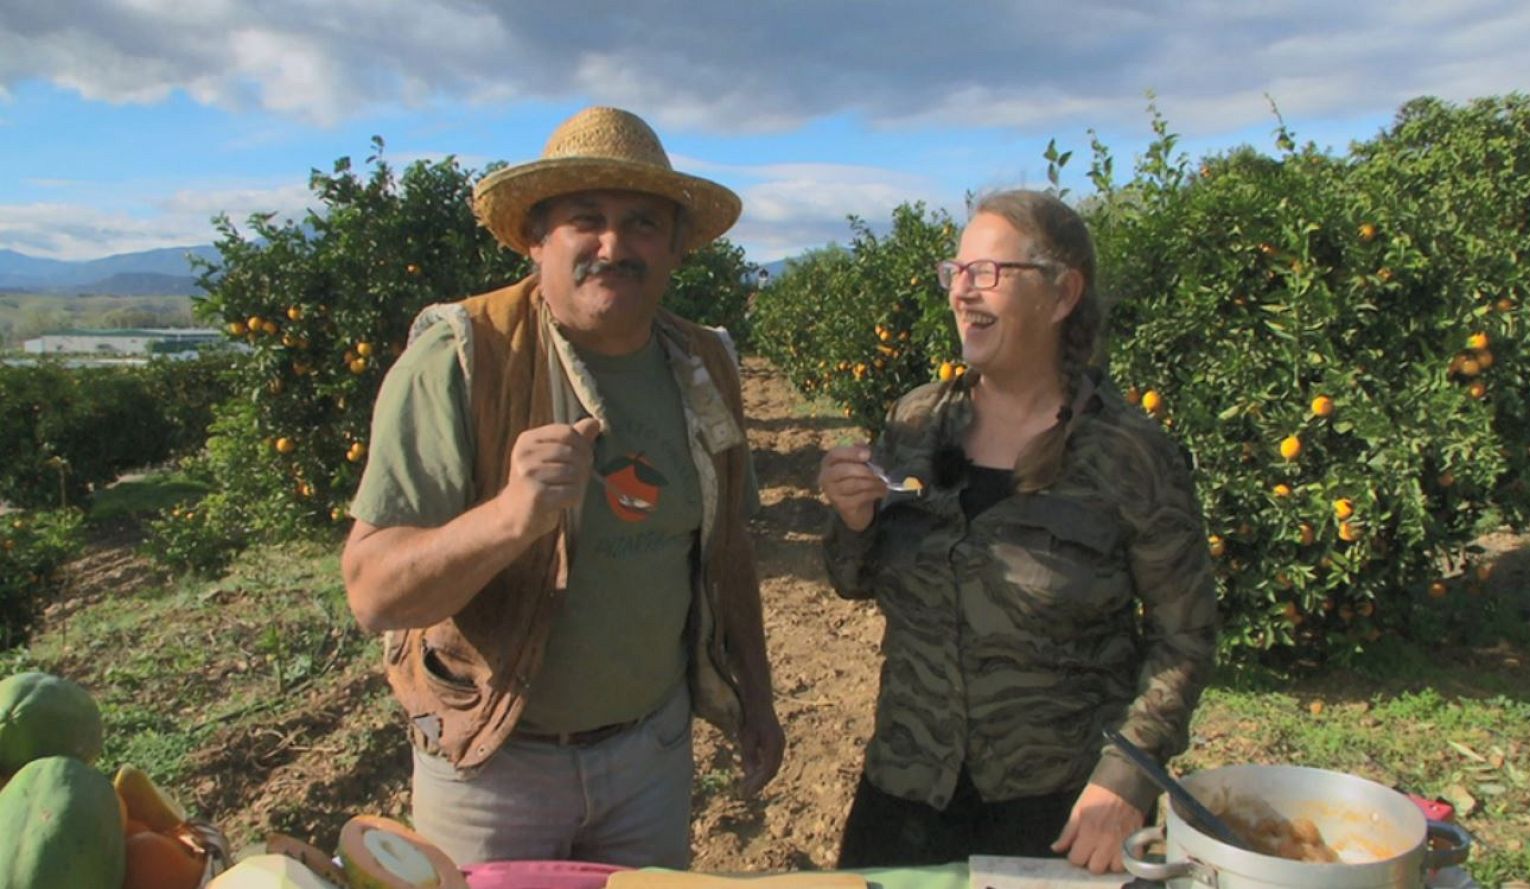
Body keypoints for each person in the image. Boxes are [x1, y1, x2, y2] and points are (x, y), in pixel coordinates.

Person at [341, 106, 785, 870]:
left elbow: (727, 549)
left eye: (643, 223)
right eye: (586, 219)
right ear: (536, 238)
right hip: (493, 767)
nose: (614, 245)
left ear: (677, 246)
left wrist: (759, 694)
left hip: (651, 756)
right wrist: (511, 517)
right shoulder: (462, 360)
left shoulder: (704, 366)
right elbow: (373, 592)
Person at [817, 189, 1217, 874]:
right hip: (907, 788)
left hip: (1060, 807)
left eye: (988, 273)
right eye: (956, 271)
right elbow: (854, 579)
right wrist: (852, 521)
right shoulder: (916, 423)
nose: (962, 292)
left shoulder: (1128, 454)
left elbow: (1185, 636)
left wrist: (1129, 777)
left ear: (1061, 294)